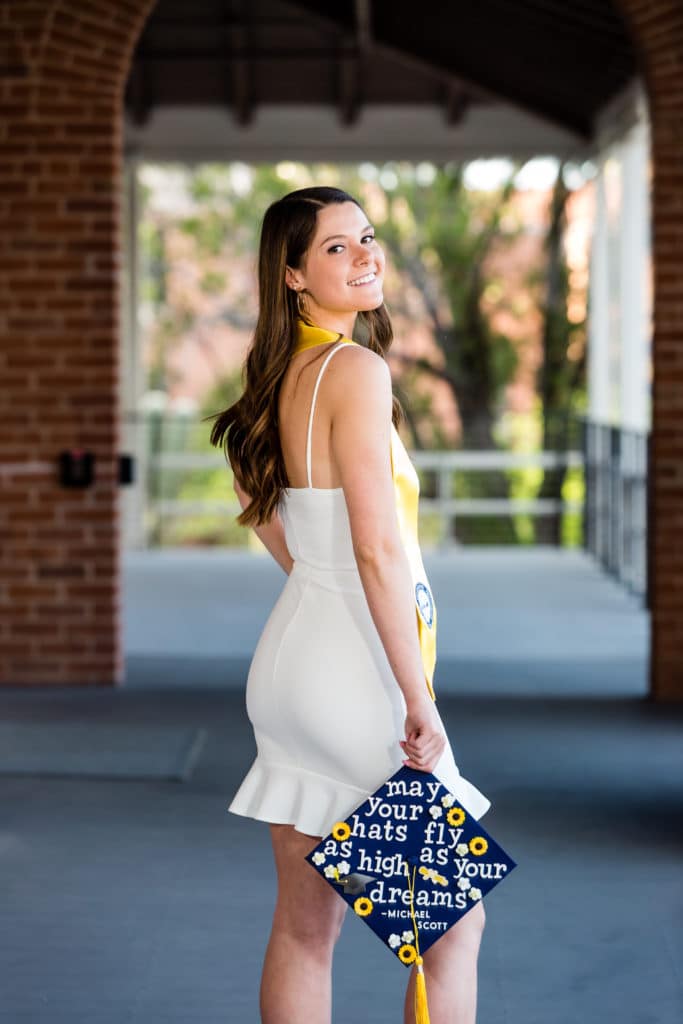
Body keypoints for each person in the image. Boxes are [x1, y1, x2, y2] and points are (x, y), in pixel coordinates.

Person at [209, 186, 491, 1024]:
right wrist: (415, 696)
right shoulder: (356, 370)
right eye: (336, 247)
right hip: (361, 678)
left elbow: (266, 514)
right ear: (293, 273)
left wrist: (319, 583)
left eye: (366, 238)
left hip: (295, 663)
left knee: (306, 926)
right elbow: (374, 549)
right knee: (450, 927)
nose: (366, 255)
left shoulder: (271, 382)